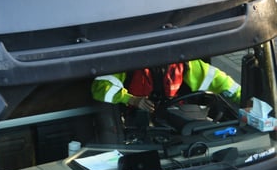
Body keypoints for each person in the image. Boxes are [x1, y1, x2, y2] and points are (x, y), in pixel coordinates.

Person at [92, 60, 242, 112]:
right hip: (136, 122)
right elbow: (99, 88)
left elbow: (222, 82)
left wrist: (246, 100)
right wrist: (132, 100)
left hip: (177, 118)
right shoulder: (128, 64)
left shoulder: (187, 64)